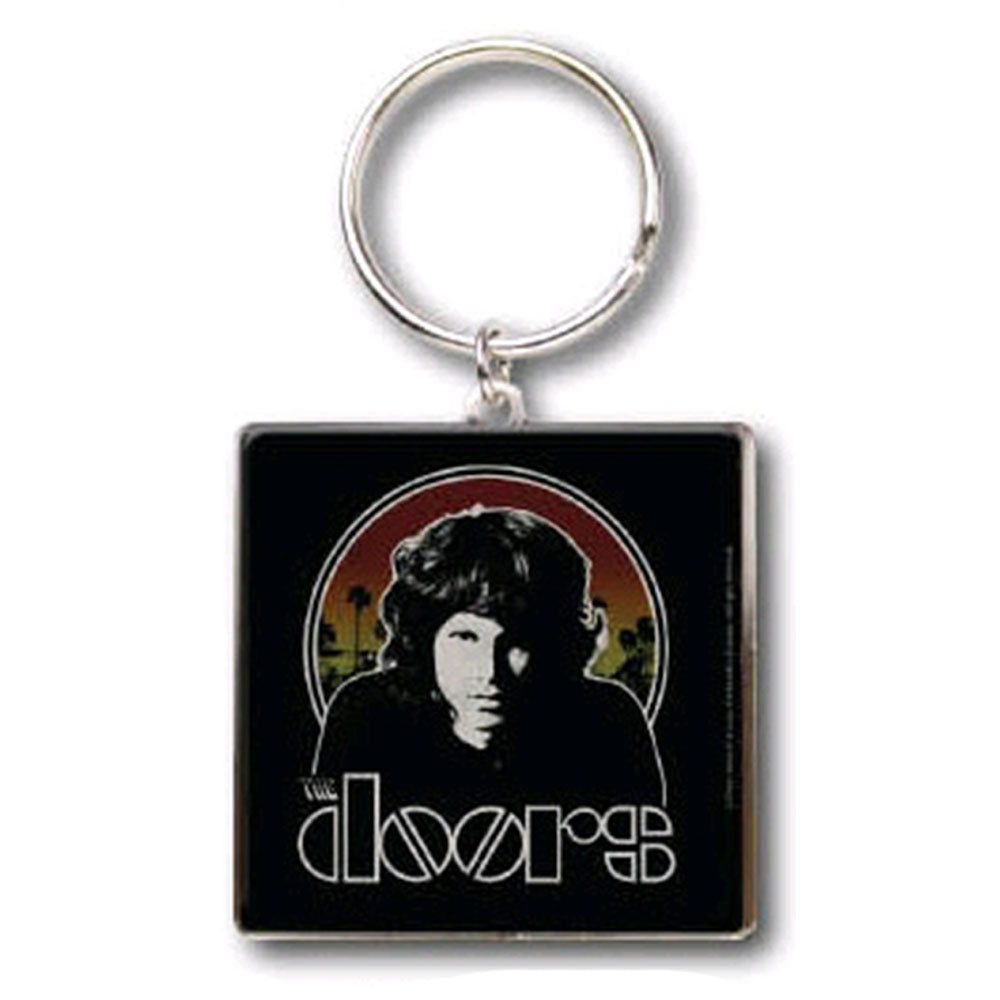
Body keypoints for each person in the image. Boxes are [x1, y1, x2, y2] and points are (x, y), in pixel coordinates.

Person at [312, 506, 664, 814]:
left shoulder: (609, 722)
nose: (488, 672)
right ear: (424, 639)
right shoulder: (365, 713)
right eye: (466, 638)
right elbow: (323, 830)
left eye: (517, 641)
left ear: (552, 642)